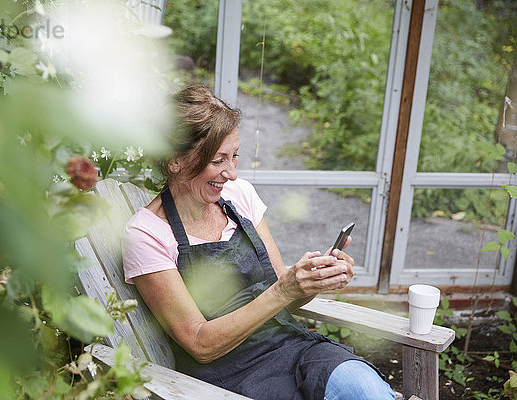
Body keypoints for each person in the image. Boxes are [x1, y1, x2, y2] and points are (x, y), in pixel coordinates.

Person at [122, 85, 395, 400]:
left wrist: (312, 279)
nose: (232, 173)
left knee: (366, 391)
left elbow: (286, 297)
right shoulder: (147, 234)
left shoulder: (239, 197)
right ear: (174, 161)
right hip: (226, 377)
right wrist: (284, 290)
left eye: (234, 156)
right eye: (218, 160)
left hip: (293, 348)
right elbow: (200, 344)